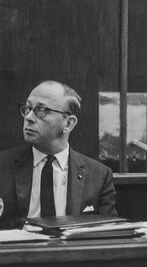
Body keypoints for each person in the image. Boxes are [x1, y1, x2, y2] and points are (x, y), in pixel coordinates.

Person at [0, 81, 117, 229]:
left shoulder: (99, 175)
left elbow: (110, 234)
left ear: (68, 124)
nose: (28, 117)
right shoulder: (3, 165)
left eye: (41, 110)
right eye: (27, 108)